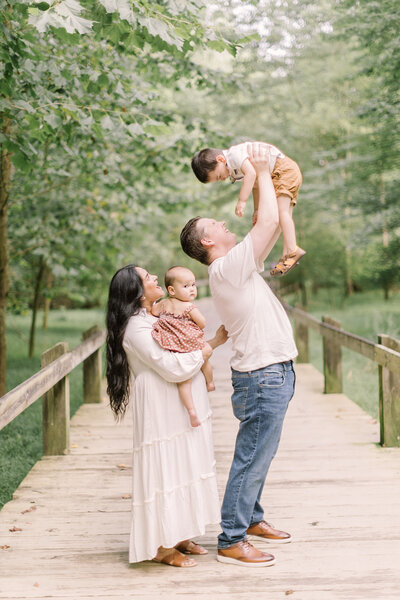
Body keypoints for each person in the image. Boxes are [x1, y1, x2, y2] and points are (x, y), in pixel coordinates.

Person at [181, 143, 297, 567]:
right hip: (262, 375)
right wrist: (263, 173)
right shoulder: (225, 267)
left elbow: (266, 234)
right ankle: (231, 537)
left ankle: (251, 519)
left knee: (261, 453)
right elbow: (268, 221)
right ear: (208, 240)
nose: (224, 223)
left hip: (272, 371)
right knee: (251, 456)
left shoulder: (238, 264)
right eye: (216, 223)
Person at [106, 264, 228, 567]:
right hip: (161, 402)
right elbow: (171, 366)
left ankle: (179, 533)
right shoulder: (135, 326)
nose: (155, 278)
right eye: (148, 278)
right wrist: (210, 346)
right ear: (135, 291)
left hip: (177, 402)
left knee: (184, 464)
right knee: (166, 468)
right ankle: (161, 545)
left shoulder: (153, 316)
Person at [191, 141, 305, 276]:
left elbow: (251, 174)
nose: (222, 179)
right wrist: (256, 209)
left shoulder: (233, 156)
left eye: (219, 176)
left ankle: (292, 249)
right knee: (282, 217)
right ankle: (287, 254)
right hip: (277, 174)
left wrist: (241, 201)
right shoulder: (233, 169)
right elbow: (256, 184)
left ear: (220, 159)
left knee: (282, 213)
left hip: (283, 170)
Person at [151, 266, 215, 428]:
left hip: (173, 346)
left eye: (193, 285)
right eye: (186, 286)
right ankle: (210, 382)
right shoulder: (189, 307)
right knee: (204, 360)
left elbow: (153, 311)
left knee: (183, 381)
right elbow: (202, 323)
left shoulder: (164, 303)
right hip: (192, 343)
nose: (192, 289)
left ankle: (191, 411)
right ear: (172, 290)